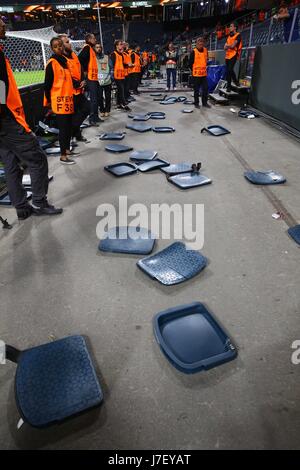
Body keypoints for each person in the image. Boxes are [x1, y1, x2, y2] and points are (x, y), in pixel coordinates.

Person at [0, 19, 62, 219]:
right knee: (37, 158)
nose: (4, 25)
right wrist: (6, 117)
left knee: (10, 164)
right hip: (7, 121)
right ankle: (39, 202)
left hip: (5, 122)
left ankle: (21, 207)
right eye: (0, 22)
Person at [44, 37, 76, 165]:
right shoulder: (52, 63)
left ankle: (67, 150)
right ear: (52, 48)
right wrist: (49, 104)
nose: (59, 48)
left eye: (60, 45)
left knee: (68, 127)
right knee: (63, 128)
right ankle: (63, 155)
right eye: (56, 46)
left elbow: (68, 80)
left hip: (68, 99)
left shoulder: (65, 61)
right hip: (58, 101)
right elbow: (47, 85)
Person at [59, 34, 90, 143]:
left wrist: (83, 80)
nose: (69, 43)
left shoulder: (73, 54)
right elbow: (65, 75)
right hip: (69, 92)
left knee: (86, 109)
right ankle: (73, 134)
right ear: (61, 45)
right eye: (67, 42)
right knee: (73, 116)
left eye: (69, 41)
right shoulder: (60, 59)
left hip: (78, 90)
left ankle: (74, 133)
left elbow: (80, 68)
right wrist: (77, 83)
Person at [78, 33, 100, 126]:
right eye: (94, 38)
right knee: (93, 99)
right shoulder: (87, 48)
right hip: (90, 77)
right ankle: (92, 119)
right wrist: (85, 72)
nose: (95, 40)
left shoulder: (91, 49)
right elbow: (80, 59)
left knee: (97, 98)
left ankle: (96, 116)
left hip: (94, 77)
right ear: (89, 39)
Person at [189, 37, 210, 109]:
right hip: (196, 74)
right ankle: (196, 102)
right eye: (199, 43)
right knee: (196, 90)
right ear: (197, 44)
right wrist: (193, 71)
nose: (200, 44)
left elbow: (206, 60)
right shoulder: (193, 52)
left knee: (206, 88)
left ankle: (205, 103)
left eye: (202, 43)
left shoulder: (205, 50)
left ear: (203, 43)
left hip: (203, 74)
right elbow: (190, 63)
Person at [111, 40, 131, 111]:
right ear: (116, 46)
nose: (122, 46)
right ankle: (124, 104)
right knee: (121, 90)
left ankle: (119, 104)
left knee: (120, 91)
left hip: (122, 75)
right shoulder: (113, 54)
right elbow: (111, 65)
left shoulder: (121, 54)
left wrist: (128, 65)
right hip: (116, 76)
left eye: (122, 44)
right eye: (120, 44)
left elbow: (122, 64)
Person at [94, 42, 112, 118]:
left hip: (107, 80)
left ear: (101, 48)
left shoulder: (106, 57)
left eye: (99, 47)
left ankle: (107, 110)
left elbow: (111, 67)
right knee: (99, 97)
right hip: (98, 81)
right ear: (94, 49)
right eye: (97, 47)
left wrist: (111, 77)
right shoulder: (93, 58)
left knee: (108, 97)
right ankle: (102, 110)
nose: (98, 49)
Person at [224, 22, 242, 92]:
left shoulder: (238, 35)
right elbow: (224, 48)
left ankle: (229, 87)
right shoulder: (228, 36)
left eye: (231, 26)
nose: (229, 28)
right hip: (227, 55)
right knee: (230, 70)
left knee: (229, 70)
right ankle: (235, 81)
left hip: (234, 54)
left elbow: (232, 46)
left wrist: (228, 45)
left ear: (235, 28)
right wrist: (228, 46)